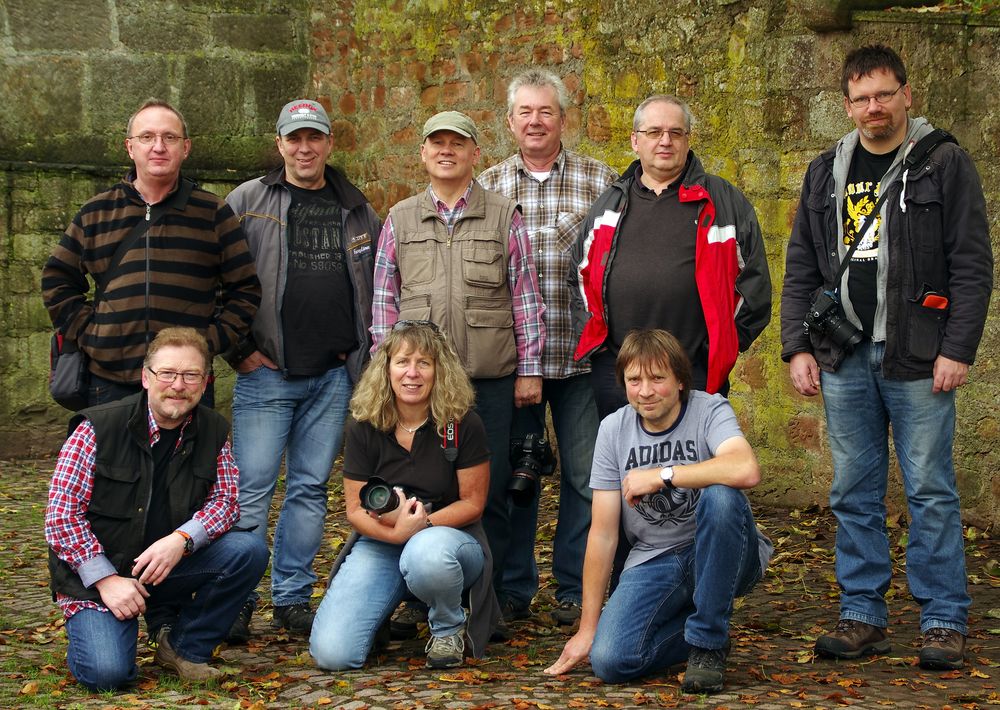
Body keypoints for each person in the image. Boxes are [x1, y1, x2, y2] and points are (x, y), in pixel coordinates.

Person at [781, 44, 993, 671]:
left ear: (907, 94)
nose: (873, 107)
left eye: (883, 94)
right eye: (860, 98)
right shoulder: (825, 173)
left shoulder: (945, 164)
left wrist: (957, 349)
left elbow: (972, 266)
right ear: (847, 106)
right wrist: (797, 346)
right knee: (853, 490)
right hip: (844, 357)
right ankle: (863, 615)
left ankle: (943, 618)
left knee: (930, 489)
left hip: (921, 356)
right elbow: (801, 268)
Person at [371, 111, 546, 607]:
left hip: (487, 380)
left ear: (475, 154)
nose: (446, 151)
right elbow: (385, 301)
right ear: (423, 154)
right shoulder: (400, 218)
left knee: (490, 494)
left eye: (457, 143)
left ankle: (499, 595)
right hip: (416, 385)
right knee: (418, 487)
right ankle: (420, 596)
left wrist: (529, 369)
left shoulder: (503, 214)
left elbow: (525, 298)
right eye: (437, 143)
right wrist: (386, 372)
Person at [223, 99, 380, 640]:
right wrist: (237, 348)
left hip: (333, 376)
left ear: (330, 143)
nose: (305, 148)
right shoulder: (247, 200)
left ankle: (291, 596)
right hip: (266, 373)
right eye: (295, 139)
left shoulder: (357, 208)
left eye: (314, 138)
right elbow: (218, 279)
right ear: (280, 144)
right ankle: (235, 598)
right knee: (251, 490)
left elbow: (376, 289)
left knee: (311, 489)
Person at [544, 329, 771, 693]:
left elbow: (746, 469)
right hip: (655, 558)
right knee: (610, 660)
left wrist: (662, 476)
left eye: (657, 378)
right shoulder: (613, 430)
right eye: (634, 380)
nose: (645, 391)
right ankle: (703, 622)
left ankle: (708, 645)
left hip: (722, 551)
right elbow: (602, 534)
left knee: (721, 496)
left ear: (680, 380)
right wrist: (588, 630)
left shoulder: (709, 408)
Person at [44, 327, 269, 691]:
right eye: (167, 373)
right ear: (146, 378)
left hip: (165, 567)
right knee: (108, 674)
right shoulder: (97, 429)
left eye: (190, 375)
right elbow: (61, 517)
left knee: (248, 550)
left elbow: (226, 502)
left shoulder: (212, 429)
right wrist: (106, 580)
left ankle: (182, 647)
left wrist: (181, 539)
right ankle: (106, 627)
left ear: (205, 381)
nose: (178, 385)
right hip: (101, 577)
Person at [478, 70, 617, 625]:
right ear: (509, 121)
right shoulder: (486, 186)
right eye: (525, 113)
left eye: (546, 112)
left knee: (587, 479)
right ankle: (513, 588)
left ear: (564, 118)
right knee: (518, 479)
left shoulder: (599, 180)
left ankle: (571, 587)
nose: (535, 122)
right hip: (513, 365)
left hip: (582, 359)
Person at [41, 99, 261, 408]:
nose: (158, 146)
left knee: (186, 458)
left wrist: (210, 342)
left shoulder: (213, 213)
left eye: (169, 137)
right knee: (109, 458)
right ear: (130, 147)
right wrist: (91, 335)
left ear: (185, 147)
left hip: (184, 381)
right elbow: (57, 280)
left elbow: (245, 290)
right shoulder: (97, 212)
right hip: (108, 380)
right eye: (147, 137)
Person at [310, 321, 502, 670]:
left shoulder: (462, 423)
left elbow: (473, 503)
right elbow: (354, 510)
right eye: (402, 362)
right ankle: (384, 607)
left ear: (438, 371)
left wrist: (420, 524)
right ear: (386, 368)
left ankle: (448, 627)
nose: (412, 373)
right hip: (382, 539)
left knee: (425, 553)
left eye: (424, 363)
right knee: (332, 655)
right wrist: (395, 533)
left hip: (449, 541)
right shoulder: (364, 424)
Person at [569, 94, 771, 418]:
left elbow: (755, 285)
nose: (666, 141)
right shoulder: (609, 203)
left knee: (694, 468)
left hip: (695, 375)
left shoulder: (723, 201)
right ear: (635, 141)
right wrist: (600, 350)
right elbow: (578, 276)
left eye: (676, 133)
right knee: (627, 469)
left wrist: (719, 348)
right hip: (620, 377)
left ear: (688, 140)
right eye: (654, 132)